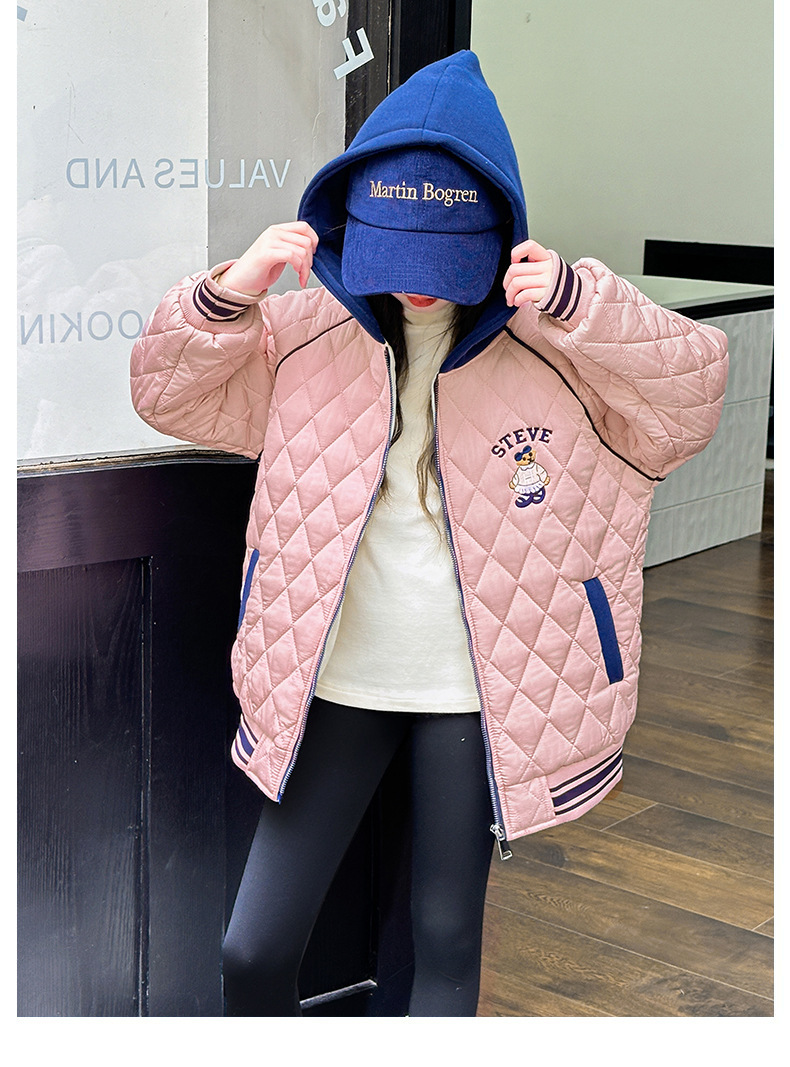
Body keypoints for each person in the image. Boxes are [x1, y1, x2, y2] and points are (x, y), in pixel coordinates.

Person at [130, 51, 728, 1017]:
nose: (419, 287)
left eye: (443, 259)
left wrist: (585, 303)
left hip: (477, 687)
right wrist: (230, 292)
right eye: (397, 253)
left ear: (497, 239)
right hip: (334, 675)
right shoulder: (304, 334)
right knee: (253, 947)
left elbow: (693, 397)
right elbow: (170, 395)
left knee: (445, 942)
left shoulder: (557, 345)